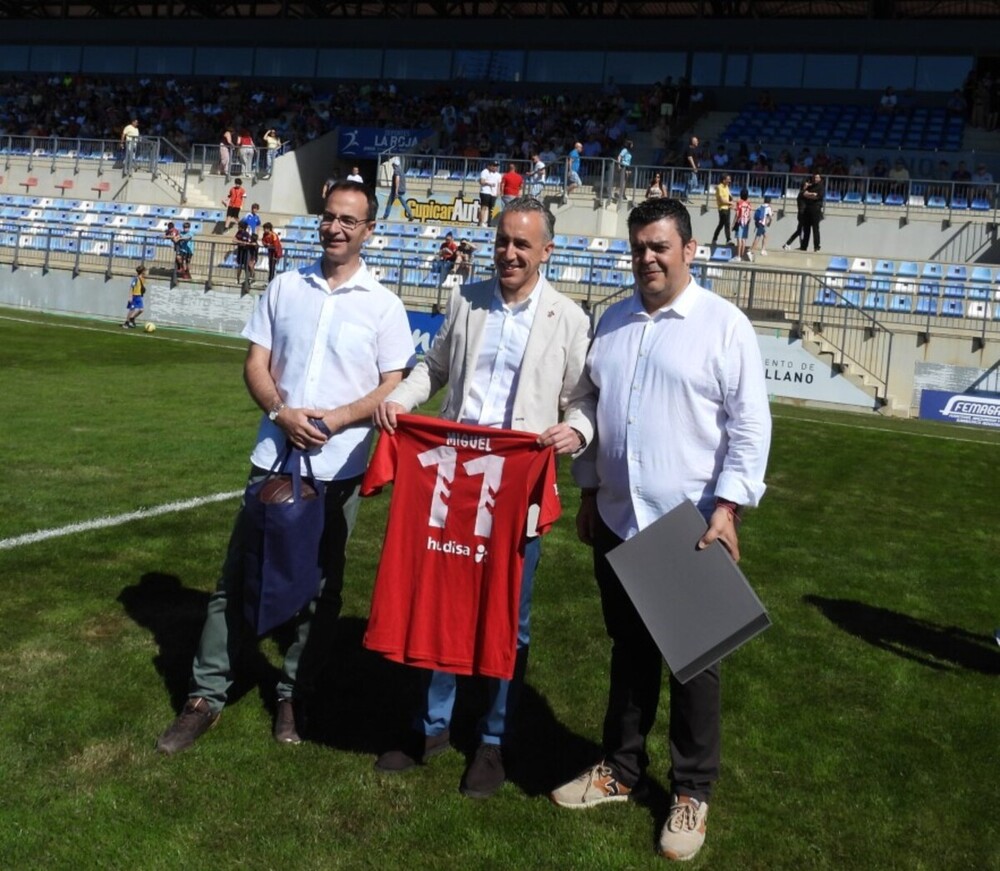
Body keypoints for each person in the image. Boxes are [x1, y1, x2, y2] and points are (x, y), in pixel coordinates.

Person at [155, 181, 415, 756]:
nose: (336, 228)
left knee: (321, 590)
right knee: (236, 579)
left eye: (350, 220)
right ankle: (206, 695)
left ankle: (294, 692)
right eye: (329, 217)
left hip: (337, 471)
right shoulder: (285, 287)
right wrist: (281, 411)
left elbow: (394, 383)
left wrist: (343, 418)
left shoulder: (385, 304)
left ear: (369, 231)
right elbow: (256, 361)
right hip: (272, 461)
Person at [550, 197, 771, 863]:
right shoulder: (612, 321)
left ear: (690, 249)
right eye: (639, 246)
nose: (647, 257)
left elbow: (750, 426)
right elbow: (589, 404)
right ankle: (619, 768)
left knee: (695, 665)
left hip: (688, 525)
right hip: (619, 516)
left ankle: (692, 791)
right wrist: (589, 490)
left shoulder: (723, 326)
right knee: (629, 652)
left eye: (660, 247)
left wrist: (728, 508)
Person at [371, 196, 593, 800]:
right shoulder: (465, 300)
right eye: (503, 241)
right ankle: (432, 727)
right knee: (444, 596)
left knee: (509, 616)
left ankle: (493, 740)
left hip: (517, 484)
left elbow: (582, 399)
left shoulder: (568, 319)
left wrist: (579, 429)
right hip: (453, 477)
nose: (510, 253)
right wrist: (402, 400)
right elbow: (434, 367)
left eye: (523, 244)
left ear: (547, 251)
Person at [782, 178, 810, 251]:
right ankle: (788, 243)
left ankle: (801, 246)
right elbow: (809, 195)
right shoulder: (802, 193)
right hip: (802, 214)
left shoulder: (803, 193)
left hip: (803, 214)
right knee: (800, 231)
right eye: (806, 185)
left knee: (800, 231)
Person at [799, 172, 825, 253]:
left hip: (816, 209)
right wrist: (811, 194)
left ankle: (816, 247)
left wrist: (809, 195)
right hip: (808, 209)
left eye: (817, 177)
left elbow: (817, 197)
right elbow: (804, 194)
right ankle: (804, 246)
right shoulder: (811, 186)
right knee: (806, 229)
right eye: (815, 177)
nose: (815, 179)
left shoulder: (821, 187)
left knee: (815, 228)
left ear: (820, 179)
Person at [382, 156, 414, 221]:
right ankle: (410, 214)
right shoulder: (402, 171)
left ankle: (385, 216)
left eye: (393, 165)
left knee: (389, 203)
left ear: (395, 165)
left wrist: (396, 191)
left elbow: (397, 180)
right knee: (404, 203)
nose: (392, 166)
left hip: (396, 190)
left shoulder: (396, 171)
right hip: (402, 189)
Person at [710, 173, 732, 246]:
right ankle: (728, 240)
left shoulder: (727, 187)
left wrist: (731, 204)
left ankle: (714, 239)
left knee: (722, 224)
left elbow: (729, 197)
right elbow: (722, 200)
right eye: (728, 179)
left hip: (727, 208)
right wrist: (731, 203)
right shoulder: (720, 187)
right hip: (722, 209)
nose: (729, 181)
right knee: (726, 224)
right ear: (724, 180)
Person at [479, 159, 502, 227]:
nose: (495, 167)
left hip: (493, 193)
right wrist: (489, 184)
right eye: (494, 166)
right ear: (490, 166)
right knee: (484, 207)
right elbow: (482, 181)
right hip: (485, 191)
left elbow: (498, 185)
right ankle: (482, 222)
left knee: (491, 209)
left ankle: (489, 222)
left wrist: (498, 192)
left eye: (496, 166)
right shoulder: (485, 172)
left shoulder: (498, 175)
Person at [733, 187, 753, 261]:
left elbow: (737, 214)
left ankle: (738, 256)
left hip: (740, 221)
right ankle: (741, 255)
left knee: (739, 239)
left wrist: (733, 223)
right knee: (744, 239)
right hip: (746, 222)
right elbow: (750, 215)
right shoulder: (749, 204)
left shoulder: (739, 202)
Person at [233, 220, 253, 285]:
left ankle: (248, 279)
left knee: (246, 266)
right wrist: (241, 242)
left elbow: (247, 242)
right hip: (240, 251)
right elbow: (234, 240)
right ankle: (237, 280)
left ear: (242, 227)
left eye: (239, 226)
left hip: (246, 252)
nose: (238, 227)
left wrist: (242, 242)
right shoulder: (238, 232)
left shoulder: (246, 234)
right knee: (239, 266)